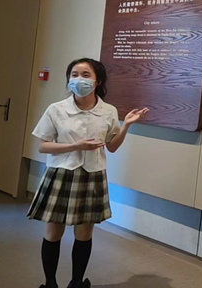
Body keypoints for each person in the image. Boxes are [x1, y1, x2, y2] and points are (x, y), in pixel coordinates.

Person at [27, 58, 149, 288]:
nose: (78, 79)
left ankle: (76, 282)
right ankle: (50, 283)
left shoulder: (108, 111)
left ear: (97, 81)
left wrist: (126, 125)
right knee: (53, 232)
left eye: (85, 75)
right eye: (74, 74)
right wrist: (76, 146)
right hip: (61, 173)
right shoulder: (56, 109)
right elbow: (43, 146)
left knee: (84, 234)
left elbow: (112, 146)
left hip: (92, 175)